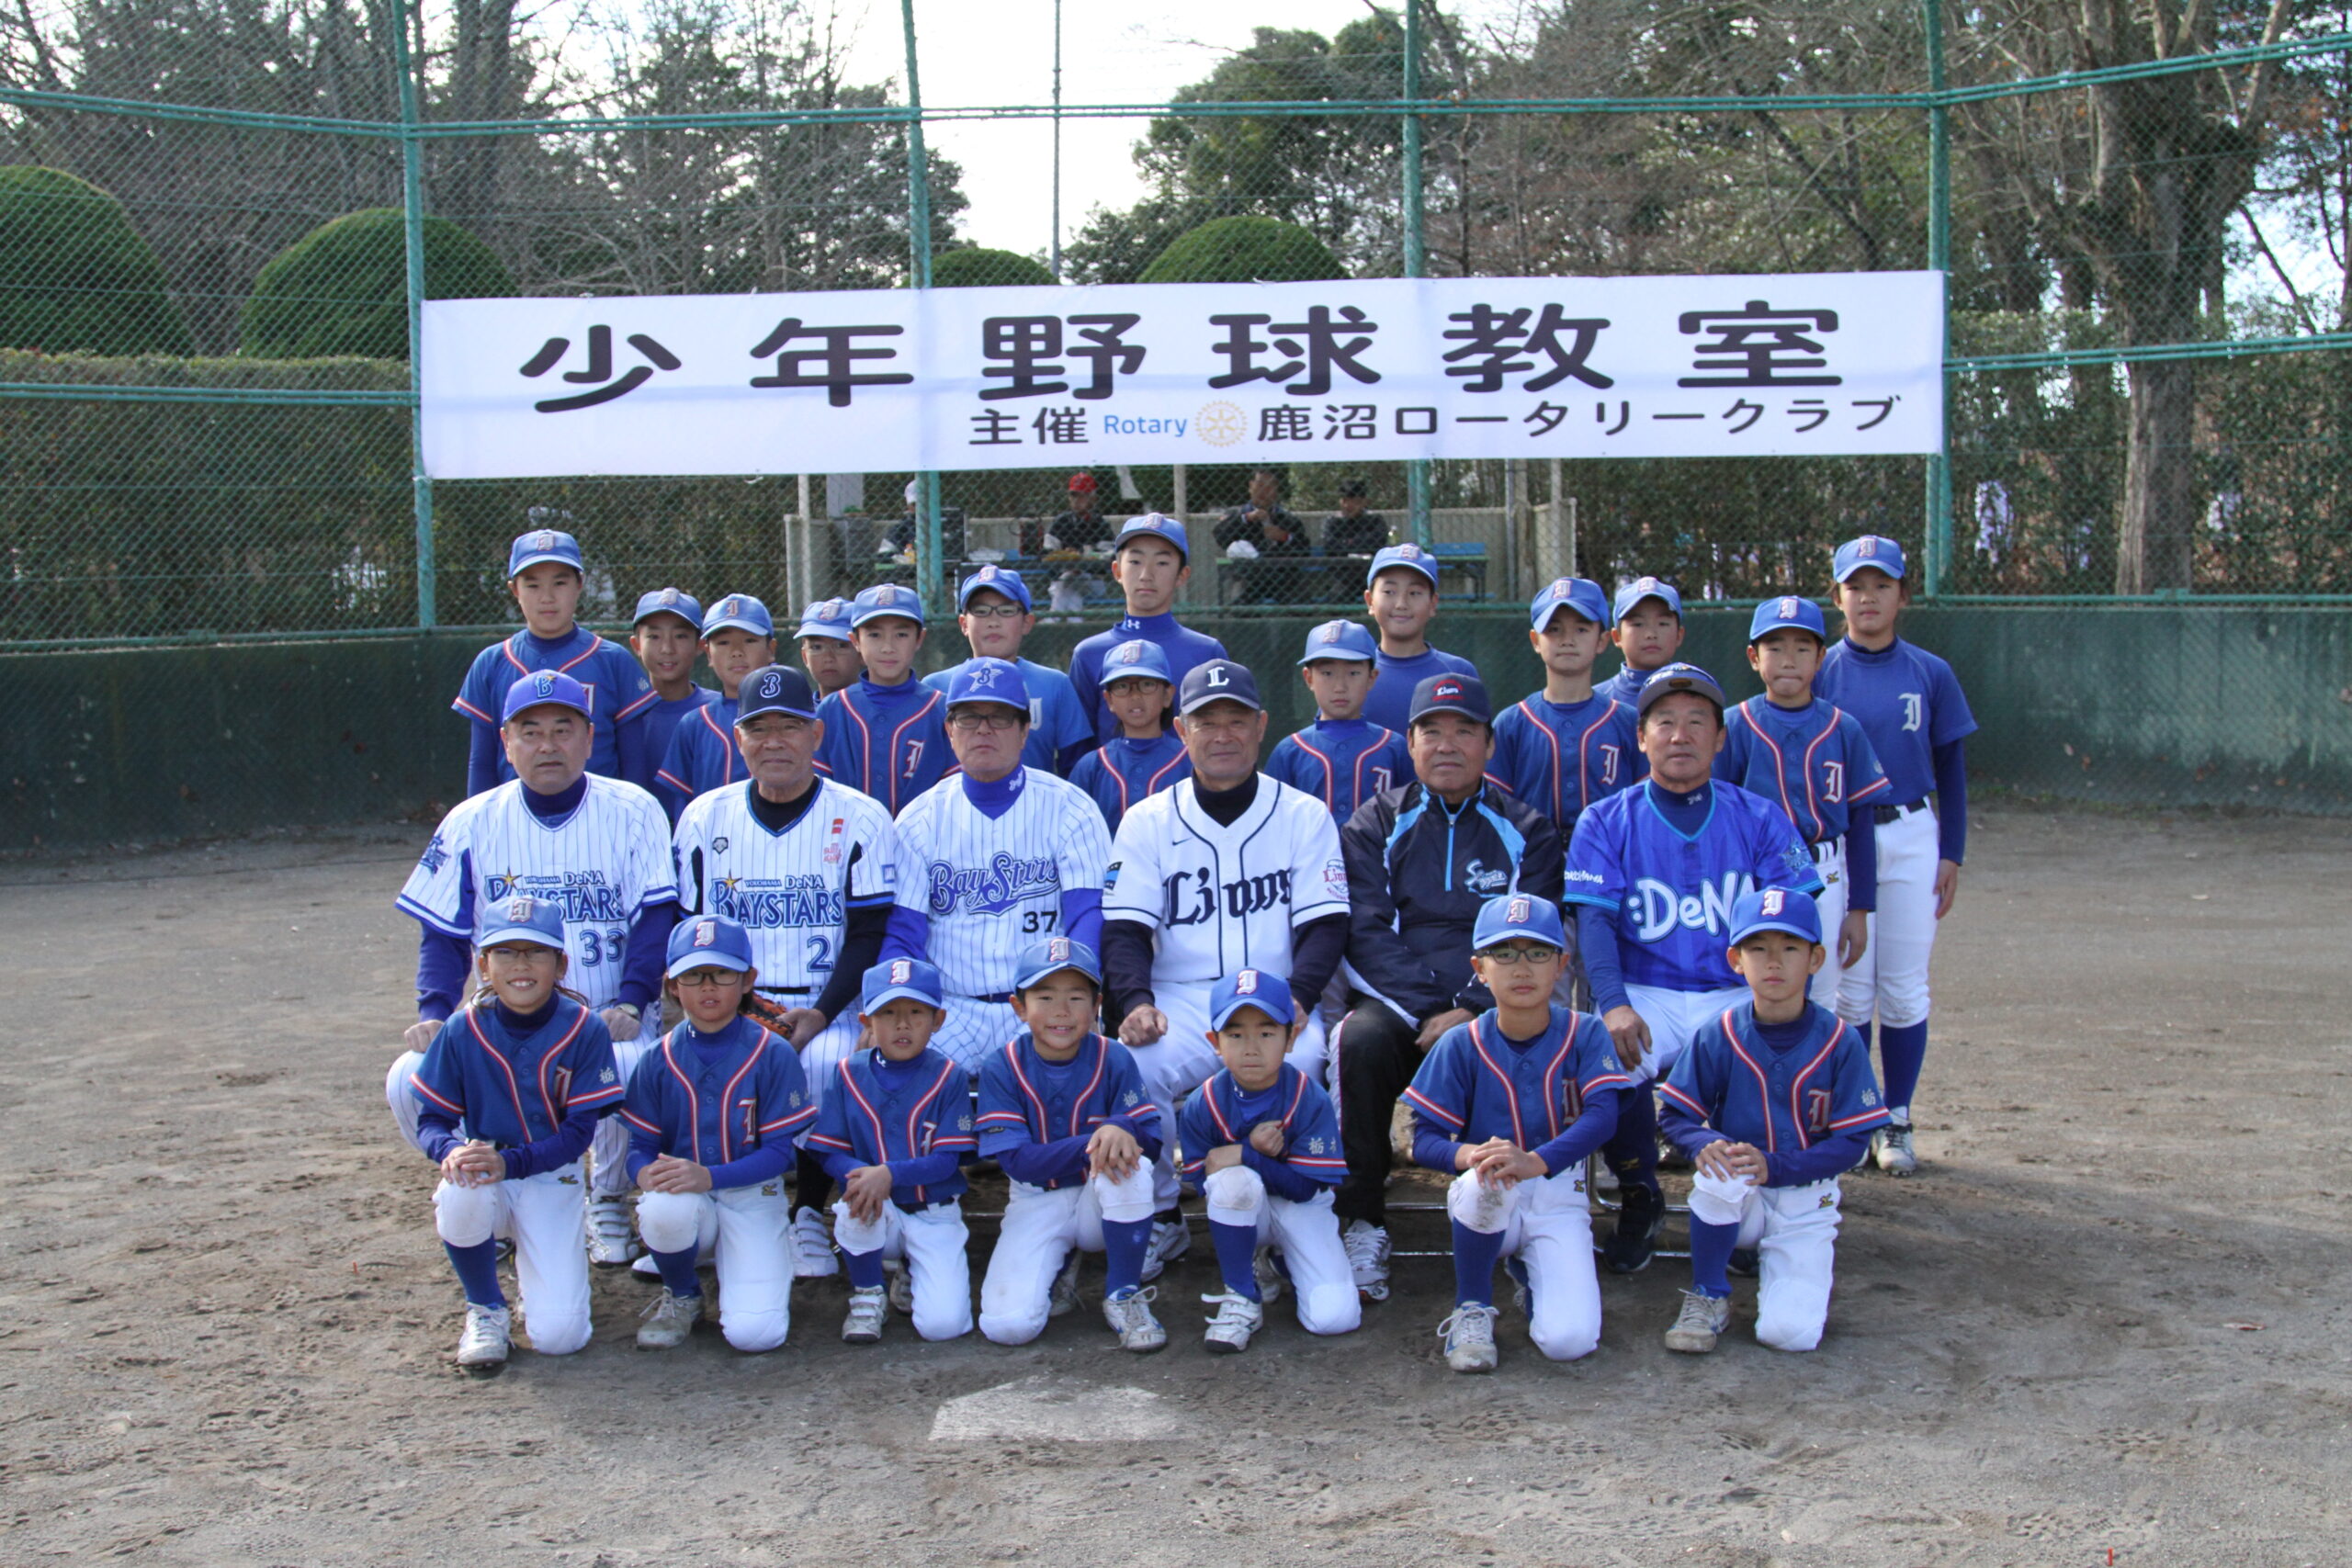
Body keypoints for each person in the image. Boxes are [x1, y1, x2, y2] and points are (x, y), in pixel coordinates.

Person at [390, 670, 675, 1269]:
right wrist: (434, 1011)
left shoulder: (634, 809)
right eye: (531, 731)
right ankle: (482, 1187)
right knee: (409, 1074)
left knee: (626, 1062)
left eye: (563, 729)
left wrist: (631, 1000)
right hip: (502, 1022)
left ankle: (605, 1197)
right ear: (506, 742)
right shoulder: (472, 819)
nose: (548, 745)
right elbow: (443, 932)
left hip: (608, 1014)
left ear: (589, 738)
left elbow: (655, 920)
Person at [1563, 663, 1822, 1276]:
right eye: (1665, 722)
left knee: (1772, 1055)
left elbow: (1796, 916)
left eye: (1697, 722)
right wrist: (1614, 1002)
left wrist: (1776, 1007)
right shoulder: (1605, 818)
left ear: (1720, 737)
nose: (1680, 735)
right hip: (1644, 989)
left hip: (1735, 989)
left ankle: (1747, 1203)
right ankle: (1639, 1193)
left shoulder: (1758, 816)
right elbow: (1594, 923)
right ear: (1642, 737)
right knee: (1605, 1055)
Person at [1101, 659, 1351, 1280]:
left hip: (1274, 995)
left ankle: (1281, 1216)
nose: (1222, 734)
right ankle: (1162, 1213)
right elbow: (1125, 929)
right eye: (1206, 721)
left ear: (1261, 726)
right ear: (1180, 730)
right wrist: (1134, 1001)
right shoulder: (1146, 820)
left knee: (1299, 1063)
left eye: (1235, 720)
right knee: (1138, 1064)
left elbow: (1326, 924)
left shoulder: (1303, 815)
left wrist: (1300, 996)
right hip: (1180, 997)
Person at [1327, 672, 1564, 1303]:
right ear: (1410, 743)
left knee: (1527, 1037)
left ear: (1489, 743)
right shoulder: (1375, 822)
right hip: (1401, 1002)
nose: (1448, 744)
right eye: (1431, 731)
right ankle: (1363, 1218)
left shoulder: (1527, 828)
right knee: (1357, 1040)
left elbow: (1532, 939)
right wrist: (1434, 1007)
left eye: (1464, 730)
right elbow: (1365, 931)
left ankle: (1526, 1223)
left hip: (1495, 1002)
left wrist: (1470, 1007)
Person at [670, 663, 897, 1279]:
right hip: (730, 1003)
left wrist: (820, 1014)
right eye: (759, 727)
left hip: (831, 1005)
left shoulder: (861, 816)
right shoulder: (704, 817)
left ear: (816, 734)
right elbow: (691, 935)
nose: (774, 741)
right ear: (738, 737)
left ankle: (806, 1213)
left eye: (789, 726)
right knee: (696, 1062)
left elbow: (869, 934)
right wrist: (729, 1011)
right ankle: (714, 1208)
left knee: (826, 1065)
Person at [1657, 888, 1889, 1354]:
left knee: (1789, 1336)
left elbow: (1853, 1143)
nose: (1774, 962)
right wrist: (1701, 1144)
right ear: (1736, 961)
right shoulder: (1720, 1032)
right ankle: (1709, 1293)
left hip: (1807, 1202)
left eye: (1790, 947)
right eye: (1758, 948)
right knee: (1719, 1170)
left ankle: (1786, 1272)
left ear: (1815, 959)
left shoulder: (1841, 1040)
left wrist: (1776, 1167)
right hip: (1741, 1193)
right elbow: (1676, 1115)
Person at [1405, 895, 1630, 1373]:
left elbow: (1604, 1116)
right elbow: (1422, 1140)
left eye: (1538, 952)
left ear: (1561, 965)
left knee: (1570, 1342)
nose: (1522, 967)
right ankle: (1472, 1305)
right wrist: (1473, 1156)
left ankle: (1529, 1276)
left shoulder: (1586, 1032)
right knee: (1481, 1184)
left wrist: (1536, 1161)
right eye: (1504, 953)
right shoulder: (1461, 1042)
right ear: (1480, 969)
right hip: (1488, 1196)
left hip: (1558, 1194)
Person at [1814, 535, 1977, 1177]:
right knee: (1851, 993)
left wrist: (1951, 851)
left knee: (1904, 989)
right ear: (1838, 597)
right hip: (1843, 837)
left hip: (1910, 832)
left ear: (1903, 595)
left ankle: (1898, 1116)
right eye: (1855, 585)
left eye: (1882, 584)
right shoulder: (1820, 670)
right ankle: (1859, 1116)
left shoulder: (1929, 672)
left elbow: (1951, 768)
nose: (1868, 597)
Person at [405, 895, 625, 1370]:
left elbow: (579, 1135)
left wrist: (510, 1163)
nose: (520, 965)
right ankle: (485, 1307)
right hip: (487, 1170)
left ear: (560, 965)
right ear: (483, 965)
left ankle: (537, 1275)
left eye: (535, 951)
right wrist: (449, 1151)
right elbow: (432, 1122)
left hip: (552, 1174)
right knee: (459, 1188)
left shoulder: (585, 1028)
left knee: (561, 1337)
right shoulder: (463, 1028)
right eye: (505, 952)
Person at [881, 659, 1112, 1068]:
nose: (983, 729)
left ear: (1024, 731)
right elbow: (903, 933)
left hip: (1043, 1007)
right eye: (969, 717)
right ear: (950, 730)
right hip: (949, 1010)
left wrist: (1081, 999)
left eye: (1000, 717)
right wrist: (895, 1006)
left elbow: (1087, 917)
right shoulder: (919, 819)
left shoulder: (1072, 808)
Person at [623, 914, 815, 1354]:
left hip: (753, 1195)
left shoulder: (773, 1052)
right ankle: (683, 1292)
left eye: (722, 973)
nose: (707, 987)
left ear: (747, 980)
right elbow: (639, 1148)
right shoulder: (656, 1057)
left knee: (756, 1335)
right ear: (673, 986)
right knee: (662, 1209)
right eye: (693, 975)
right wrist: (645, 1175)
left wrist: (710, 1177)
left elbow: (780, 1155)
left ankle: (751, 1258)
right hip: (687, 1196)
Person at [975, 938, 1167, 1351]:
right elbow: (1017, 1161)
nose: (1061, 1011)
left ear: (1097, 1005)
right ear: (1019, 1006)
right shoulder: (1002, 1065)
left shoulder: (1113, 1056)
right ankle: (1059, 1262)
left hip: (1100, 1198)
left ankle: (1123, 1292)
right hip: (1035, 1199)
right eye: (1045, 997)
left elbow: (1152, 1141)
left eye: (1076, 997)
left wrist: (1122, 1127)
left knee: (1132, 1168)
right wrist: (1098, 1140)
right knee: (1008, 1327)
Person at [1717, 595, 1891, 1009]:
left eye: (1801, 648)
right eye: (1775, 648)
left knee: (1823, 997)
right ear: (1754, 657)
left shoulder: (1843, 728)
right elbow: (1717, 817)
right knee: (1750, 995)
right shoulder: (1734, 724)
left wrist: (1860, 908)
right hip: (1753, 873)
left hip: (1824, 869)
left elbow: (1861, 824)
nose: (1788, 660)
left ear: (1820, 658)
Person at [1178, 969, 1361, 1353]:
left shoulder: (1309, 1096)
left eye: (1266, 1033)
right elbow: (1203, 1184)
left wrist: (1247, 1153)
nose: (1251, 1048)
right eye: (1235, 1035)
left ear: (1290, 1039)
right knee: (1232, 1183)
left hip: (1303, 1208)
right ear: (1214, 1042)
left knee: (1334, 1319)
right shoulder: (1202, 1103)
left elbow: (1306, 1189)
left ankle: (1276, 1262)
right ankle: (1241, 1294)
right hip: (1247, 1210)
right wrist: (1248, 1159)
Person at [808, 958, 977, 1345]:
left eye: (916, 1012)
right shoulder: (848, 1071)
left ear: (938, 1020)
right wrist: (862, 1176)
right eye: (888, 1013)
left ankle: (912, 1268)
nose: (903, 1024)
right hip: (875, 1208)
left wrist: (887, 1173)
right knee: (854, 1204)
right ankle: (868, 1293)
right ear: (866, 1021)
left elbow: (947, 1161)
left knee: (943, 1327)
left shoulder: (949, 1075)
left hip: (934, 1214)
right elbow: (828, 1151)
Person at [451, 526, 655, 796]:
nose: (547, 597)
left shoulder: (612, 659)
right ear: (514, 590)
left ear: (579, 584)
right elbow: (481, 762)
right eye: (533, 585)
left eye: (559, 583)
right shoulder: (492, 662)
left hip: (598, 811)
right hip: (515, 813)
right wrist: (480, 817)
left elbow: (634, 761)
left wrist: (634, 812)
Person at [1490, 577, 1641, 849]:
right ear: (1536, 640)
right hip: (1532, 858)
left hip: (1613, 854)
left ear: (1602, 640)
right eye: (1554, 629)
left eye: (1581, 629)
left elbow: (1644, 807)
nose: (1568, 640)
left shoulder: (1627, 721)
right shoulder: (1512, 723)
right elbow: (1495, 812)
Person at [1068, 514, 1228, 744]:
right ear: (1117, 571)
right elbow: (1078, 747)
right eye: (1135, 562)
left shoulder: (1206, 652)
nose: (1146, 575)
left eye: (1162, 563)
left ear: (1182, 575)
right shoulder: (1088, 654)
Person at [923, 565, 1093, 776]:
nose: (993, 622)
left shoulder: (1054, 684)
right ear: (964, 623)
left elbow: (1076, 767)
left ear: (1027, 622)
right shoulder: (934, 687)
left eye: (1006, 611)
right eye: (981, 611)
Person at [814, 583, 954, 816]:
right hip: (844, 835)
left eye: (901, 634)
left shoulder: (942, 710)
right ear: (855, 640)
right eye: (875, 635)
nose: (888, 647)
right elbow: (818, 794)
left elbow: (954, 794)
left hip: (926, 835)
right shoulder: (833, 710)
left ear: (919, 639)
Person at [1265, 620, 1410, 824]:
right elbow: (1273, 821)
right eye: (1327, 673)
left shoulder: (1394, 746)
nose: (1340, 686)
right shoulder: (1289, 751)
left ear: (1371, 677)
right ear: (1309, 678)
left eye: (1353, 673)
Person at [655, 594, 777, 814]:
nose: (736, 652)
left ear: (771, 649)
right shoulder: (694, 723)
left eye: (749, 640)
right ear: (708, 653)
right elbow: (684, 808)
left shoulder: (797, 718)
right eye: (723, 642)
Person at [1068, 637, 1190, 831]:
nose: (1135, 696)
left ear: (1167, 695)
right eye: (1122, 686)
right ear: (1109, 700)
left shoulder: (1190, 761)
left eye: (1147, 684)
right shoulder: (1092, 766)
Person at [1358, 544, 1477, 733]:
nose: (1401, 604)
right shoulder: (1353, 674)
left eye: (1414, 593)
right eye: (1389, 592)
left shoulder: (1458, 672)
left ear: (1433, 603)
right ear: (1370, 601)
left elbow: (1474, 742)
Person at [628, 588, 716, 820]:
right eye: (654, 637)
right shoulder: (626, 712)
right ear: (636, 645)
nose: (667, 648)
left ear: (700, 645)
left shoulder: (717, 710)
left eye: (680, 636)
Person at [1215, 467, 1311, 604]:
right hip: (1248, 579)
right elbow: (1220, 537)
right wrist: (1247, 518)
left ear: (1276, 490)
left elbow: (1305, 550)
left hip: (1284, 578)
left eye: (1269, 486)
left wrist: (1284, 537)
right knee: (1239, 597)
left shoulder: (1288, 519)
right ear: (1250, 486)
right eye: (1260, 485)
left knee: (1299, 595)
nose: (1264, 491)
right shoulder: (1236, 515)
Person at [1595, 576, 1688, 708]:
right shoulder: (1598, 700)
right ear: (1617, 637)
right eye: (1638, 624)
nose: (1651, 634)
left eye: (1662, 624)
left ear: (1679, 635)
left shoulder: (1696, 694)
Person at [1028, 470, 1113, 555]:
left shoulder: (1100, 524)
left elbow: (1108, 554)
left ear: (1092, 498)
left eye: (1082, 495)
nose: (1076, 500)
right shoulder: (1061, 521)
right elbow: (1048, 549)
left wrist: (1081, 553)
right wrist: (1064, 554)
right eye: (1073, 495)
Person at [796, 598, 863, 698]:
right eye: (817, 647)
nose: (828, 657)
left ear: (861, 653)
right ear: (805, 657)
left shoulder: (879, 706)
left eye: (840, 646)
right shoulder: (797, 708)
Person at [1320, 479, 1388, 560]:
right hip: (1339, 564)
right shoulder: (1332, 522)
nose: (1348, 506)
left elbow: (1377, 543)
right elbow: (1330, 546)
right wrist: (1360, 542)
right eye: (1344, 500)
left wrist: (1346, 543)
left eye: (1354, 501)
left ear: (1364, 502)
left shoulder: (1375, 520)